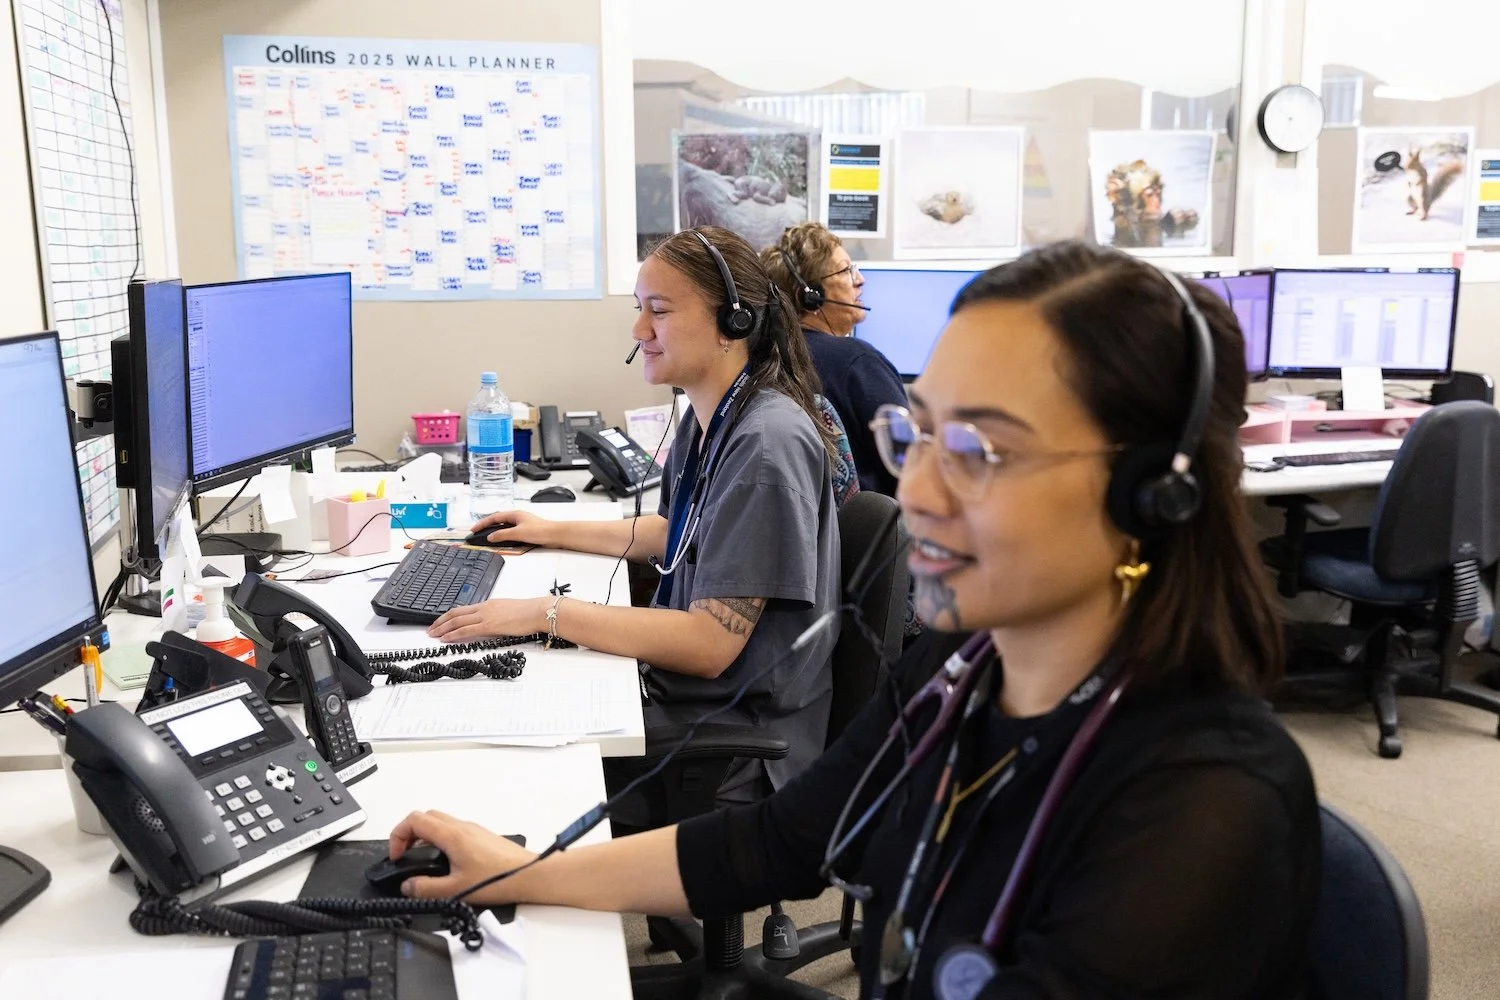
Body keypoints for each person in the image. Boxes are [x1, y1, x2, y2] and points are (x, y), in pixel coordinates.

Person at [393, 241, 1321, 998]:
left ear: (1150, 493)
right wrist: (517, 873)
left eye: (981, 451)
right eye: (915, 437)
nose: (916, 490)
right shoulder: (963, 672)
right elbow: (778, 842)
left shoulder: (1206, 802)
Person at [430, 226, 841, 815]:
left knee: (507, 759)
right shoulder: (714, 416)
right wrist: (547, 528)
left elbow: (709, 644)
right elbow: (676, 533)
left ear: (734, 321)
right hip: (692, 697)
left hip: (735, 743)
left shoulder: (765, 446)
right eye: (638, 310)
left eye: (660, 312)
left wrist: (544, 613)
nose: (638, 331)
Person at [763, 222, 907, 496]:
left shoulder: (763, 359)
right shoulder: (857, 362)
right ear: (810, 296)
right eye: (846, 270)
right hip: (868, 534)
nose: (860, 279)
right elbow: (910, 464)